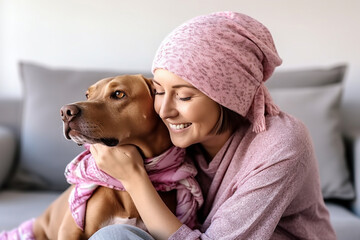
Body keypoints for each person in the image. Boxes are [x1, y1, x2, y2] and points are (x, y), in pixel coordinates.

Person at [89, 11, 336, 240]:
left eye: (184, 96)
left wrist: (133, 178)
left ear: (227, 96)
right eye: (159, 91)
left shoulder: (281, 143)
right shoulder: (177, 135)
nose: (165, 111)